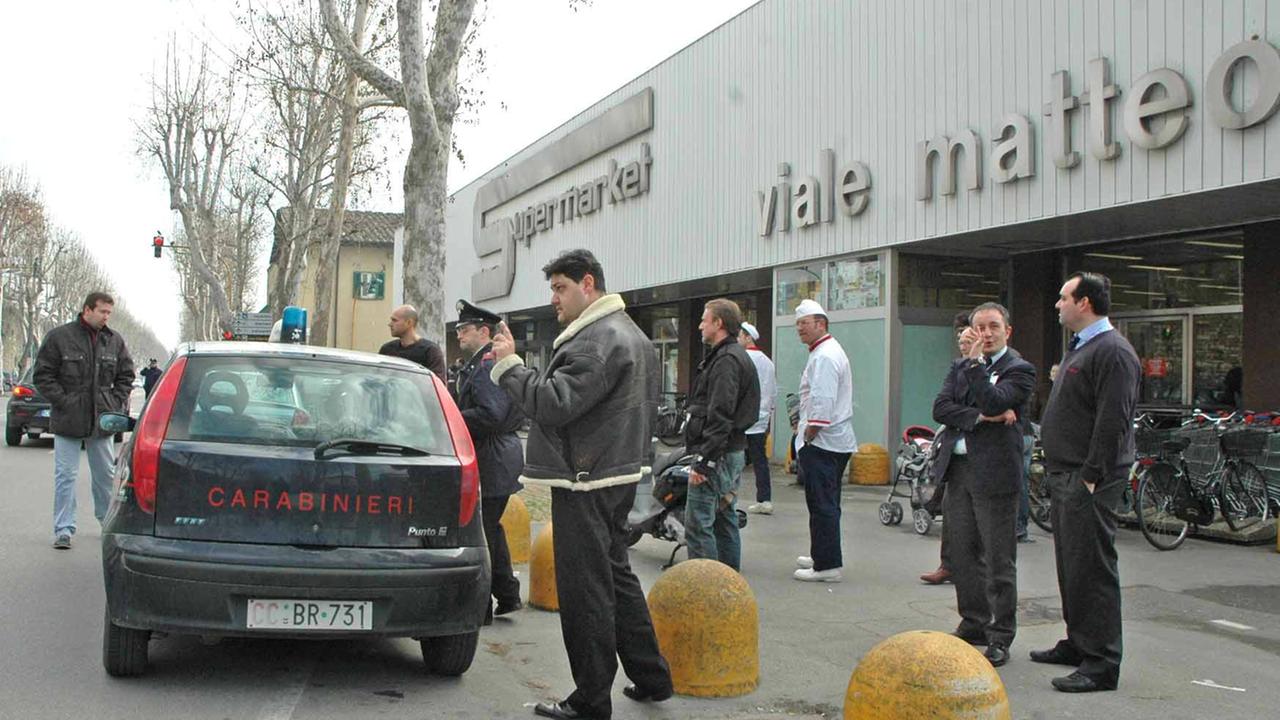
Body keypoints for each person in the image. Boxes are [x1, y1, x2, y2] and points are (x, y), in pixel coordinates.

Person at [489, 249, 672, 720]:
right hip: (616, 474)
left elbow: (550, 404)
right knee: (616, 575)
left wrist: (510, 365)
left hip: (585, 480)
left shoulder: (595, 341)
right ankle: (652, 676)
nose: (554, 299)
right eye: (552, 289)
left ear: (587, 284)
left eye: (560, 288)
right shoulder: (629, 334)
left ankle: (591, 700)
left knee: (585, 591)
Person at [1034, 271, 1140, 693]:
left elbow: (1113, 420)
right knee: (1072, 565)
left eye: (1063, 298)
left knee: (1093, 569)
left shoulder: (1113, 351)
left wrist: (1093, 476)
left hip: (1088, 477)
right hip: (1067, 473)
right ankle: (1079, 642)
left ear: (1086, 303)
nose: (1057, 304)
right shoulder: (1082, 347)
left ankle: (1101, 662)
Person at [930, 303, 1036, 668]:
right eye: (979, 327)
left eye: (993, 327)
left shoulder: (1019, 370)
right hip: (958, 471)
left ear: (1008, 330)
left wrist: (977, 373)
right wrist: (980, 417)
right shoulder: (958, 367)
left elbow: (996, 398)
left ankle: (1001, 634)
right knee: (962, 552)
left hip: (995, 476)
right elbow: (941, 408)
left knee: (997, 558)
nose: (985, 334)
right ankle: (973, 622)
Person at [32, 292, 136, 549]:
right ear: (87, 309)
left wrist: (114, 402)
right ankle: (63, 529)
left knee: (104, 476)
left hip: (101, 422)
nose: (106, 317)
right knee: (65, 476)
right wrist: (65, 401)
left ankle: (107, 522)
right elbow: (43, 375)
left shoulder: (114, 341)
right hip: (68, 420)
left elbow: (126, 376)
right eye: (102, 312)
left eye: (109, 313)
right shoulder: (60, 337)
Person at [453, 299, 525, 624]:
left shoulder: (485, 366)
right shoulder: (478, 365)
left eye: (464, 330)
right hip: (497, 456)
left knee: (482, 532)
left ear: (484, 331)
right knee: (490, 529)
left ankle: (483, 605)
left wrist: (452, 416)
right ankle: (507, 595)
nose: (459, 335)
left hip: (493, 458)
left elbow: (491, 414)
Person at [683, 299, 760, 570]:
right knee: (724, 518)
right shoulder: (729, 355)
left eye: (705, 319)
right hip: (729, 451)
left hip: (720, 454)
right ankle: (728, 587)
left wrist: (705, 461)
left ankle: (706, 592)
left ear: (718, 323)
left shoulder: (727, 360)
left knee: (698, 523)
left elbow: (721, 414)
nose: (700, 325)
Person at [792, 299, 857, 583]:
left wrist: (810, 433)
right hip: (830, 441)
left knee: (822, 504)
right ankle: (823, 552)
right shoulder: (823, 351)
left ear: (821, 324)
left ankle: (827, 565)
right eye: (798, 325)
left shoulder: (825, 356)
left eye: (804, 324)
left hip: (823, 442)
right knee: (826, 502)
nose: (799, 330)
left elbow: (823, 398)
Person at [920, 311, 975, 586]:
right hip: (954, 453)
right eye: (960, 341)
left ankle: (970, 570)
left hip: (983, 459)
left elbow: (992, 405)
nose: (962, 346)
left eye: (967, 340)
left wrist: (969, 414)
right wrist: (973, 415)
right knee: (952, 514)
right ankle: (949, 565)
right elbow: (940, 408)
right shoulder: (957, 368)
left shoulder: (1006, 367)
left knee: (978, 523)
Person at [740, 321, 777, 515]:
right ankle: (765, 499)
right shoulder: (768, 362)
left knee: (732, 458)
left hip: (742, 418)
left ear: (748, 338)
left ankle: (726, 497)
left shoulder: (743, 359)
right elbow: (773, 392)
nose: (737, 340)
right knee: (759, 460)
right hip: (761, 418)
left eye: (739, 336)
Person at [378, 304, 446, 377]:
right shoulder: (387, 350)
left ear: (409, 323)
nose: (390, 324)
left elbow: (437, 383)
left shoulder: (430, 351)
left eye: (395, 320)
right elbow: (377, 376)